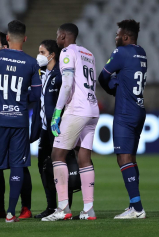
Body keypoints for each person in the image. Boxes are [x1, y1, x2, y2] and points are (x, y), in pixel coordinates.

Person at [0, 20, 41, 223]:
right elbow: (36, 94)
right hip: (19, 121)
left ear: (7, 38)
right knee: (17, 166)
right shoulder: (31, 62)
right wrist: (20, 99)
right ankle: (11, 213)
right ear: (26, 38)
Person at [42, 23, 99, 221]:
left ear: (64, 36)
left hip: (77, 110)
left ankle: (63, 208)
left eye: (58, 35)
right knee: (84, 158)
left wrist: (57, 113)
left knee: (57, 154)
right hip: (93, 110)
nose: (57, 39)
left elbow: (67, 84)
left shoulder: (67, 52)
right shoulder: (89, 53)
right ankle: (88, 209)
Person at [98, 19, 147, 219]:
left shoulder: (121, 53)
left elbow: (102, 77)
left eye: (118, 34)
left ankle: (137, 208)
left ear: (125, 37)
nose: (116, 37)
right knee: (131, 160)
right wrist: (119, 83)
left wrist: (113, 87)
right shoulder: (142, 52)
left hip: (125, 112)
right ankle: (132, 205)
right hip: (139, 109)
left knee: (123, 158)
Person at [30, 39, 81, 218]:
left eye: (42, 52)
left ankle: (64, 207)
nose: (39, 56)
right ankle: (51, 206)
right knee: (44, 167)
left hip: (58, 128)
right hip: (45, 129)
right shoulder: (43, 74)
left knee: (61, 165)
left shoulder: (60, 75)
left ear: (52, 55)